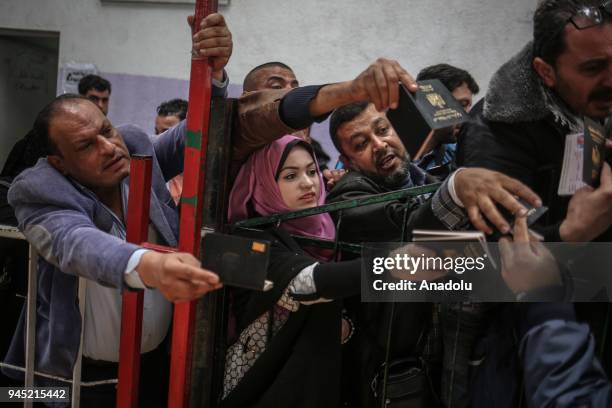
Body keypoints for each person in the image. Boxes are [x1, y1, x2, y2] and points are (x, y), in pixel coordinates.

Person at [3, 12, 231, 407]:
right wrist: (149, 264)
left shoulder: (135, 147)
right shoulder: (38, 189)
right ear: (59, 162)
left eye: (105, 130)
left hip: (155, 368)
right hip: (72, 381)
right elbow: (77, 243)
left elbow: (200, 132)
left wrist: (213, 74)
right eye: (85, 146)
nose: (109, 147)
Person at [222, 135, 360, 407]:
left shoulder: (327, 229)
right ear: (263, 184)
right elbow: (309, 282)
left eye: (312, 171)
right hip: (264, 391)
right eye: (290, 176)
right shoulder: (248, 240)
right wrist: (401, 263)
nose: (308, 183)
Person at [415, 64, 480, 176]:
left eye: (469, 106)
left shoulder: (460, 151)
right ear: (429, 103)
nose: (468, 115)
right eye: (461, 104)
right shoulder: (390, 152)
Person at [154, 98, 188, 203]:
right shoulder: (155, 172)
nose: (159, 139)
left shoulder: (200, 173)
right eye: (156, 132)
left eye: (166, 133)